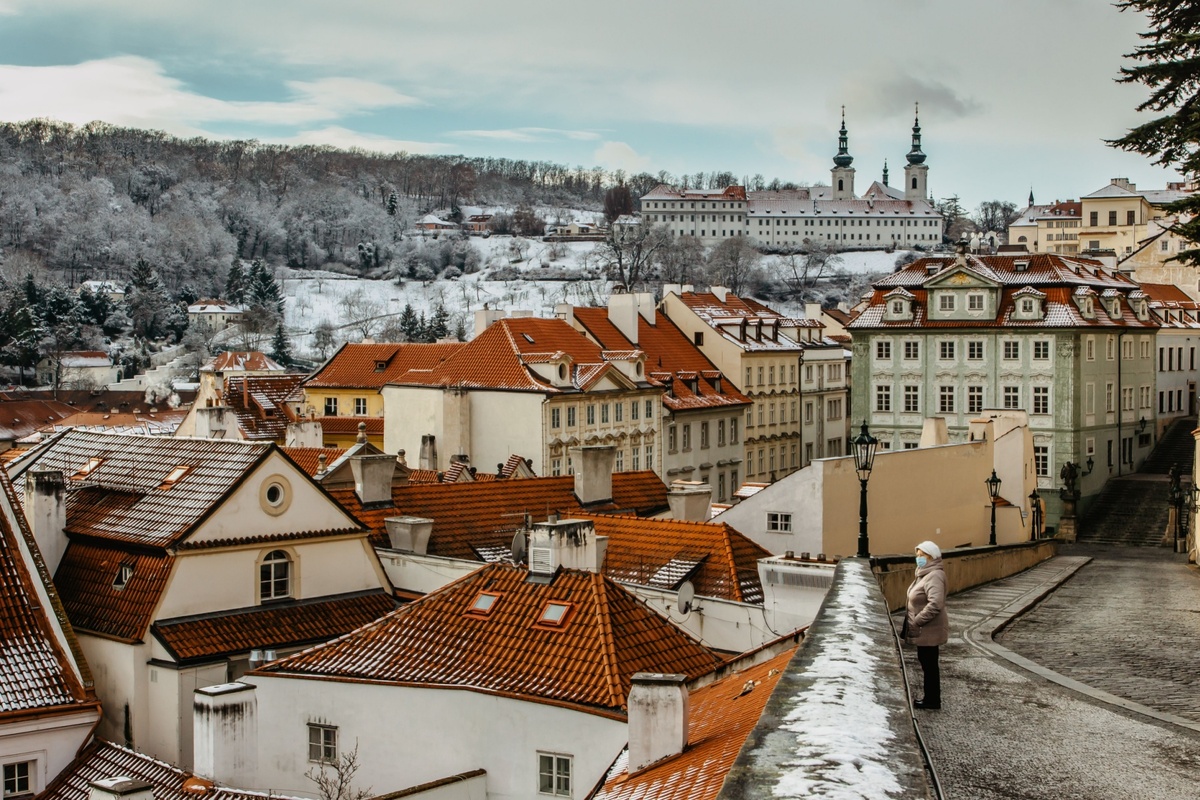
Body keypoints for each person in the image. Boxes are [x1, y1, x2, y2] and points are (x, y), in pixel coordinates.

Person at [905, 540, 949, 710]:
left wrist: (917, 621)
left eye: (921, 556)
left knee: (929, 665)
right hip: (925, 630)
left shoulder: (934, 575)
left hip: (929, 630)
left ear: (931, 556)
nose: (918, 559)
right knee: (927, 663)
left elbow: (936, 603)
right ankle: (930, 698)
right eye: (917, 556)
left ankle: (932, 700)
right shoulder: (924, 573)